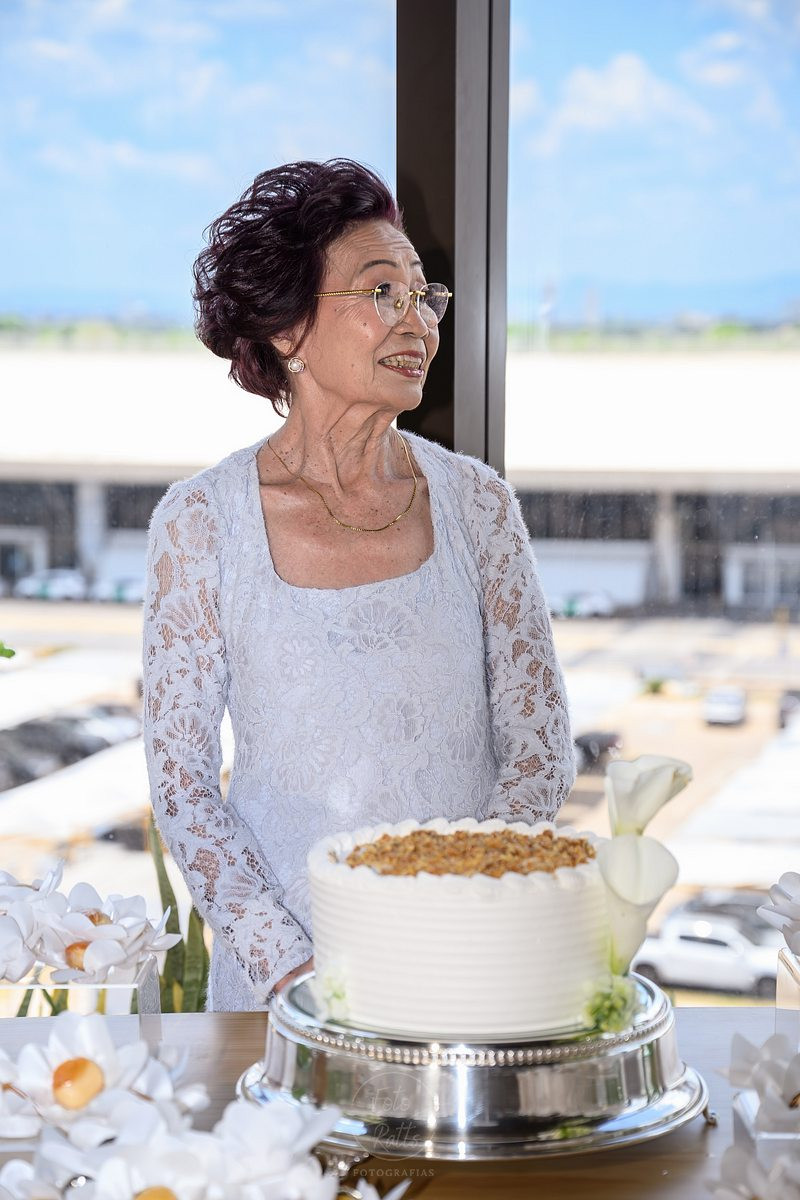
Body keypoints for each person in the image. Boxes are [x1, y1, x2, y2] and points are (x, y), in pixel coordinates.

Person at [141, 158, 575, 1012]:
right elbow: (183, 786)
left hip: (465, 969)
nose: (420, 323)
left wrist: (465, 908)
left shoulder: (478, 504)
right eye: (383, 293)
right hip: (283, 992)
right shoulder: (201, 524)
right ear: (287, 330)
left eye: (424, 295)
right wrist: (296, 974)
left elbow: (539, 746)